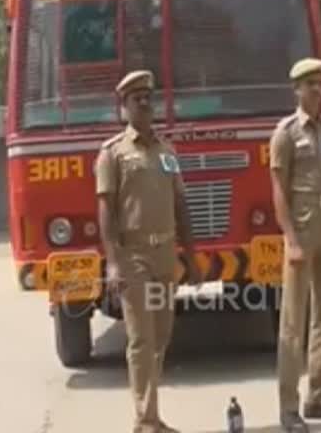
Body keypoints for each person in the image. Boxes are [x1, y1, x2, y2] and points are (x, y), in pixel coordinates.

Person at [96, 69, 201, 433]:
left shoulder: (167, 151)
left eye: (148, 97)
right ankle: (146, 420)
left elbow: (181, 205)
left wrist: (191, 255)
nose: (144, 103)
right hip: (134, 258)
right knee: (141, 339)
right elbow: (106, 210)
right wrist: (112, 263)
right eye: (135, 98)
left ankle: (151, 414)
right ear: (123, 106)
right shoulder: (113, 154)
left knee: (161, 335)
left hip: (164, 256)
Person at [269, 58, 321, 432]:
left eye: (320, 84)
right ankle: (289, 408)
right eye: (310, 85)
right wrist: (290, 238)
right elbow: (278, 190)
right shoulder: (286, 133)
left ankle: (318, 397)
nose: (317, 91)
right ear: (297, 90)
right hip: (301, 237)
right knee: (293, 325)